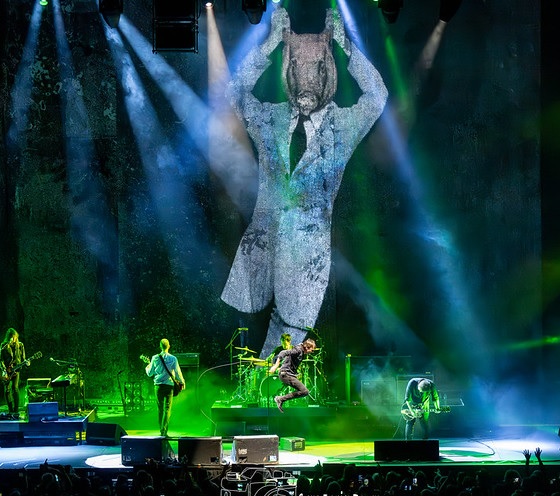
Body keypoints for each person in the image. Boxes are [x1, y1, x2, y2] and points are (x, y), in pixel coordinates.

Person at [220, 7, 388, 360]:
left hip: (307, 255)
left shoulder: (343, 126)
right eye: (298, 68)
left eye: (315, 69)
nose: (305, 83)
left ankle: (270, 380)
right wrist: (270, 44)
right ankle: (254, 379)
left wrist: (345, 46)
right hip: (262, 247)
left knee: (286, 343)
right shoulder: (270, 117)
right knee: (243, 336)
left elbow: (377, 96)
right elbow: (234, 91)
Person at [145, 338, 186, 437]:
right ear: (169, 346)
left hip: (158, 386)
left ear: (160, 346)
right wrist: (182, 382)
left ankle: (161, 430)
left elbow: (150, 373)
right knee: (167, 409)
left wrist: (147, 366)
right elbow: (178, 373)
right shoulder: (173, 358)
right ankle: (164, 431)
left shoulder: (155, 358)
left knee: (160, 409)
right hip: (169, 386)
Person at [268, 338, 316, 412]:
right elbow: (283, 352)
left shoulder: (300, 350)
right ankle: (280, 399)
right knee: (305, 391)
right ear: (307, 347)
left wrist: (295, 373)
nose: (311, 352)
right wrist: (276, 365)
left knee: (304, 391)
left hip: (288, 374)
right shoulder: (298, 350)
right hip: (285, 374)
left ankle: (280, 399)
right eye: (312, 350)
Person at [0, 327, 29, 418]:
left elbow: (23, 358)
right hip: (6, 371)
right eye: (10, 337)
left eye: (13, 336)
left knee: (15, 388)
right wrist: (4, 369)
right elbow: (0, 359)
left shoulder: (20, 345)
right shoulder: (3, 345)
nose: (12, 338)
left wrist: (27, 362)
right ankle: (10, 410)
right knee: (7, 390)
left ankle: (16, 410)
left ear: (16, 336)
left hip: (16, 370)